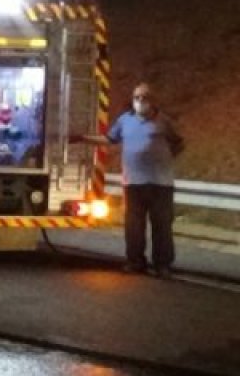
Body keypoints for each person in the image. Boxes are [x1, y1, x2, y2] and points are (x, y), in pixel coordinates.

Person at [72, 83, 184, 277]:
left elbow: (178, 143)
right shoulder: (125, 121)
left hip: (160, 184)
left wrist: (163, 159)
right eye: (137, 98)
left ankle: (163, 265)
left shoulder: (163, 122)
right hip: (133, 183)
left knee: (162, 226)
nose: (140, 101)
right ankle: (135, 262)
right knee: (133, 226)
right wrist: (83, 138)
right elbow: (109, 139)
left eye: (145, 97)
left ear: (153, 100)